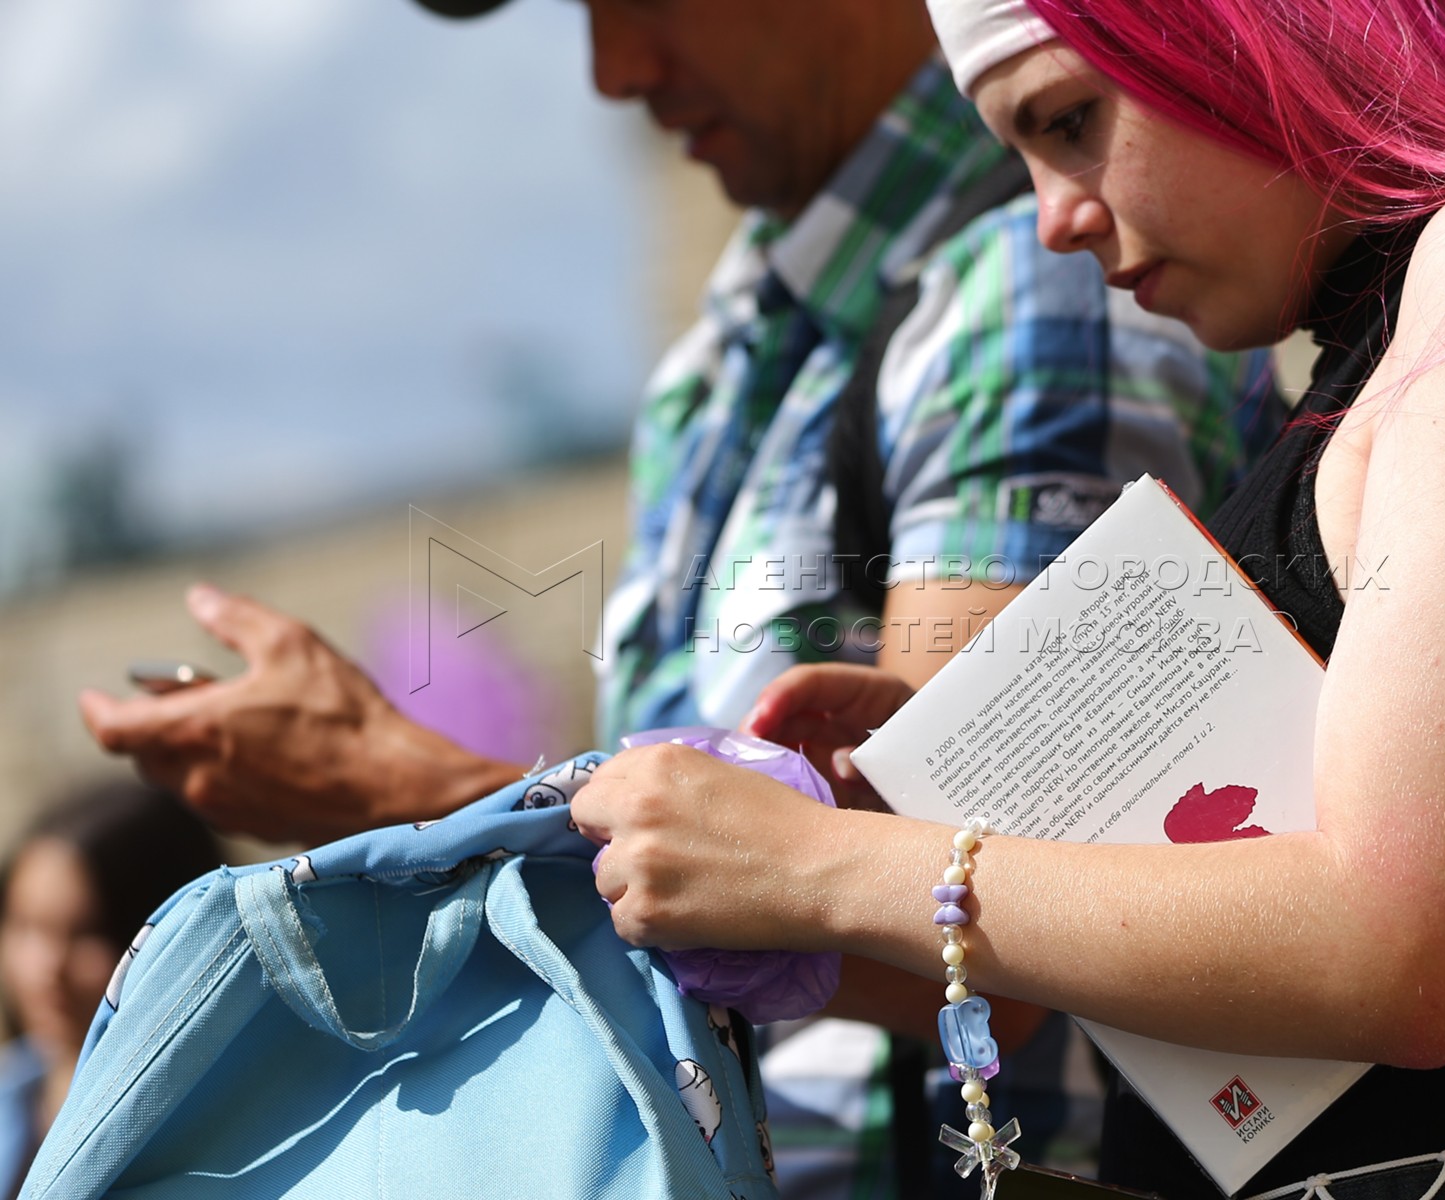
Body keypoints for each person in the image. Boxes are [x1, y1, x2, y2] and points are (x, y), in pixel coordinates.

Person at [569, 0, 1445, 1196]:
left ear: (1248, 27)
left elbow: (1401, 944)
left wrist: (835, 863)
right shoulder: (1395, 340)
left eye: (1067, 120)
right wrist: (972, 765)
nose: (1054, 219)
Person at [75, 0, 1280, 1191]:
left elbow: (982, 939)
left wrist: (415, 792)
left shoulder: (1031, 291)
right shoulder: (740, 350)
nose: (614, 69)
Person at [0, 783, 223, 1197]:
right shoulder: (11, 1097)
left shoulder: (220, 1133)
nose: (48, 967)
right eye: (26, 927)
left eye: (87, 932)